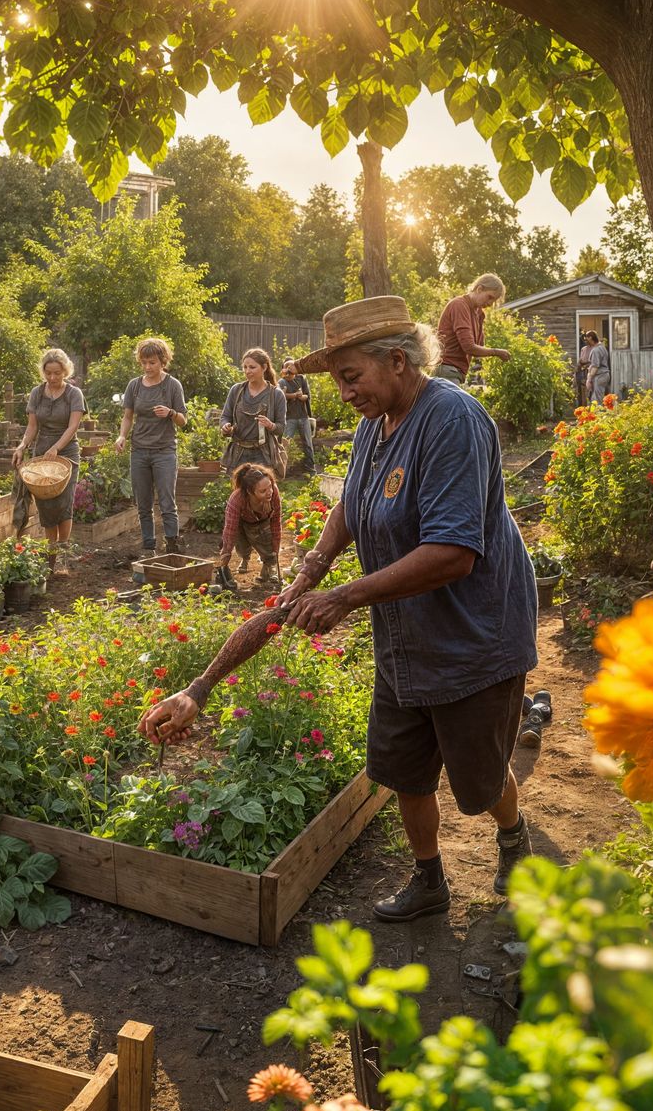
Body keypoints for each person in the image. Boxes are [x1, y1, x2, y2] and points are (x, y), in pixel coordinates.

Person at [143, 295, 539, 919]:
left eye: (352, 377)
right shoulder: (373, 426)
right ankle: (429, 880)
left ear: (398, 361)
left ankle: (513, 837)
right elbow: (352, 504)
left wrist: (345, 596)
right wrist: (311, 572)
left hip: (473, 633)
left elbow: (454, 553)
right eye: (338, 380)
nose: (345, 393)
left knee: (480, 774)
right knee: (404, 769)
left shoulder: (452, 420)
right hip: (406, 631)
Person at [12, 348, 86, 576]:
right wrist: (22, 446)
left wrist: (57, 448)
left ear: (65, 371)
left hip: (67, 454)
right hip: (42, 454)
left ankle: (62, 553)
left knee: (63, 502)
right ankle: (50, 555)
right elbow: (32, 427)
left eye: (57, 373)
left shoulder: (74, 394)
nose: (53, 377)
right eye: (48, 373)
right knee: (46, 504)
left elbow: (73, 427)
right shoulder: (37, 393)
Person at [115, 336, 188, 555]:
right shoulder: (135, 386)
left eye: (152, 362)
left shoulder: (172, 385)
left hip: (164, 451)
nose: (147, 367)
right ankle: (149, 547)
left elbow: (183, 421)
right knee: (143, 503)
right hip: (139, 451)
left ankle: (172, 545)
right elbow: (128, 416)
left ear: (163, 361)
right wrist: (122, 436)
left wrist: (171, 413)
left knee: (167, 502)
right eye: (144, 362)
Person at [435, 273, 511, 385]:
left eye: (493, 301)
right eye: (489, 297)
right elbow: (469, 347)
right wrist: (496, 352)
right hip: (447, 369)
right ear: (479, 289)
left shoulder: (478, 313)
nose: (490, 303)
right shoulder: (459, 305)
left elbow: (478, 348)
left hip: (456, 372)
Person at [216, 462, 283, 588]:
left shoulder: (273, 493)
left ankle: (268, 566)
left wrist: (275, 549)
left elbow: (275, 524)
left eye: (270, 486)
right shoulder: (237, 498)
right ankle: (245, 558)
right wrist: (225, 557)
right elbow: (230, 530)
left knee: (266, 544)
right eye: (263, 491)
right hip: (241, 523)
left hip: (262, 522)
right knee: (242, 546)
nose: (269, 492)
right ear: (250, 492)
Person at [220, 348, 287, 474]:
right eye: (245, 367)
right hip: (238, 455)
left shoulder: (276, 395)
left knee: (261, 486)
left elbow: (281, 428)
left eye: (252, 367)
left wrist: (270, 425)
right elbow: (225, 417)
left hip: (263, 455)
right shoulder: (236, 390)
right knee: (239, 487)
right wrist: (225, 426)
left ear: (264, 367)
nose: (247, 371)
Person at [279, 358, 316, 470]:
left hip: (303, 416)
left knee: (308, 443)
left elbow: (306, 396)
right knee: (285, 443)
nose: (289, 370)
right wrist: (295, 395)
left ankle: (310, 468)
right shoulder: (282, 382)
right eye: (287, 367)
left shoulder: (301, 379)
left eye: (291, 367)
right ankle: (283, 469)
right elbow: (281, 396)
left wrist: (301, 396)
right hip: (289, 417)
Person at [583, 330, 612, 403]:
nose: (586, 341)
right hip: (605, 375)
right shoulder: (603, 347)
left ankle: (598, 410)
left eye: (587, 339)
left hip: (599, 376)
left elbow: (595, 367)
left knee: (596, 399)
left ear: (590, 338)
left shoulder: (596, 350)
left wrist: (589, 380)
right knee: (603, 398)